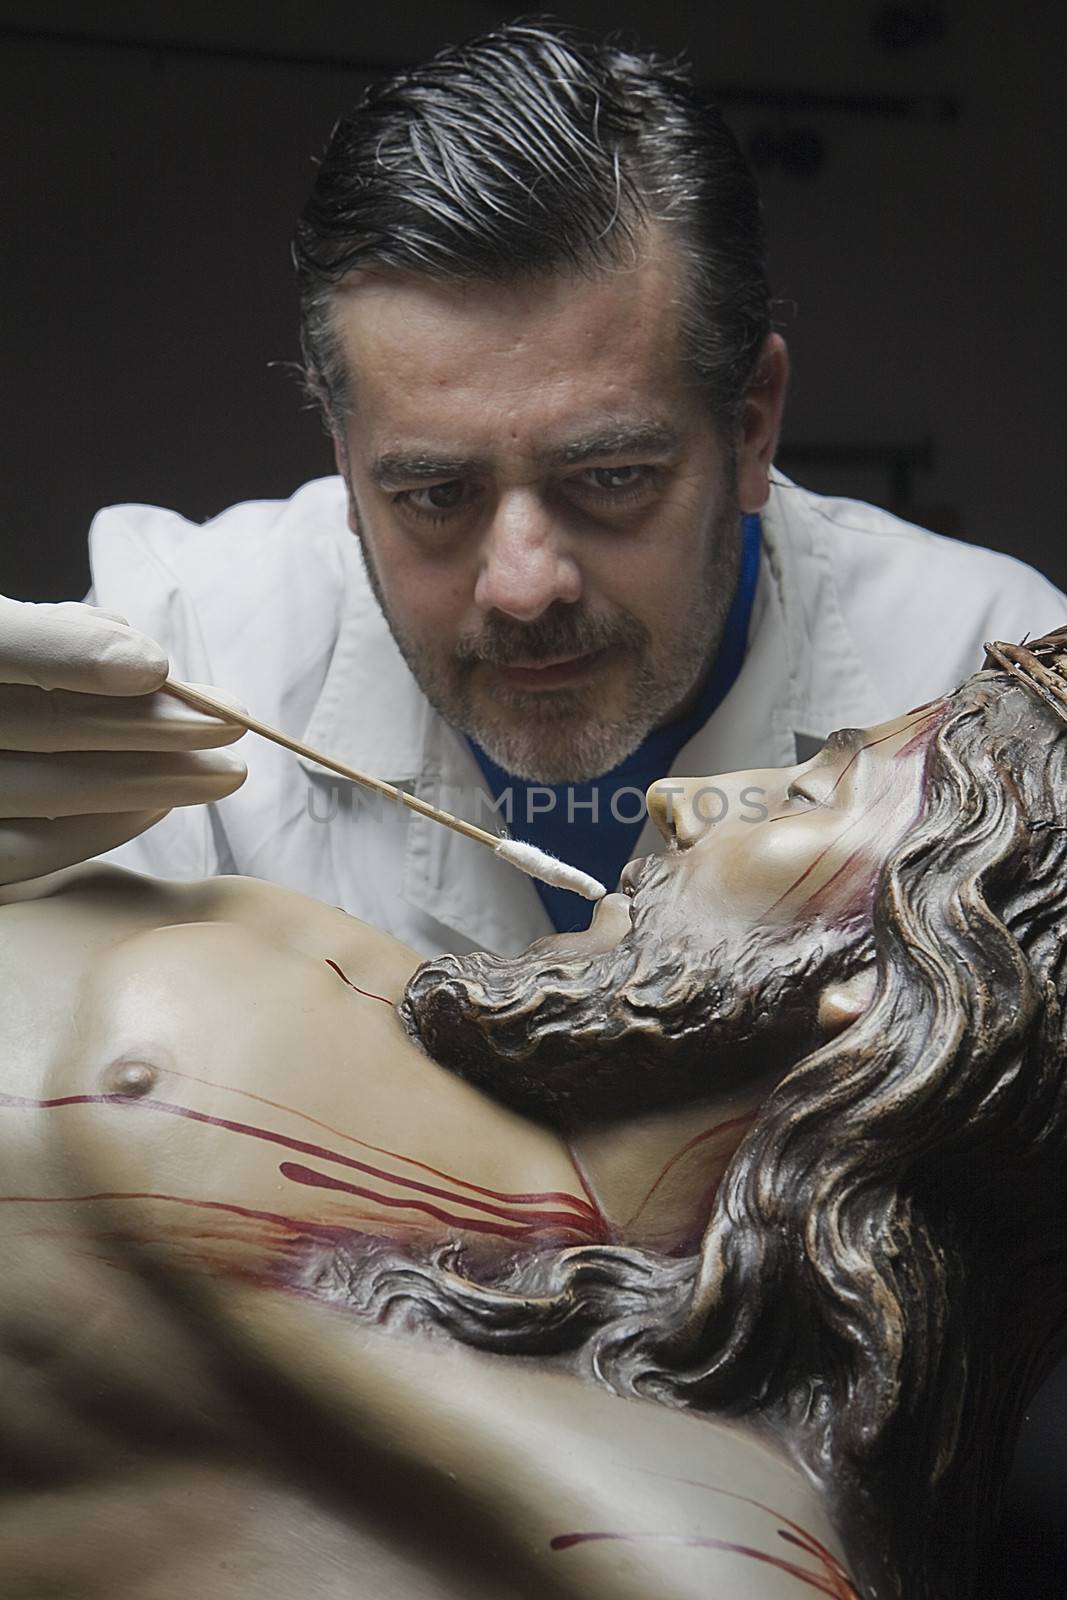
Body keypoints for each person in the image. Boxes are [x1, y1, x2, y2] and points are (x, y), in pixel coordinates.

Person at [3, 630, 1067, 1600]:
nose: (681, 796)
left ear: (897, 994)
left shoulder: (663, 1497)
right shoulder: (454, 1026)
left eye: (798, 799)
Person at [0, 22, 1064, 957]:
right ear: (341, 452)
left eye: (608, 478)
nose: (520, 587)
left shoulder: (989, 674)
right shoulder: (186, 659)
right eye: (432, 492)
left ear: (748, 427)